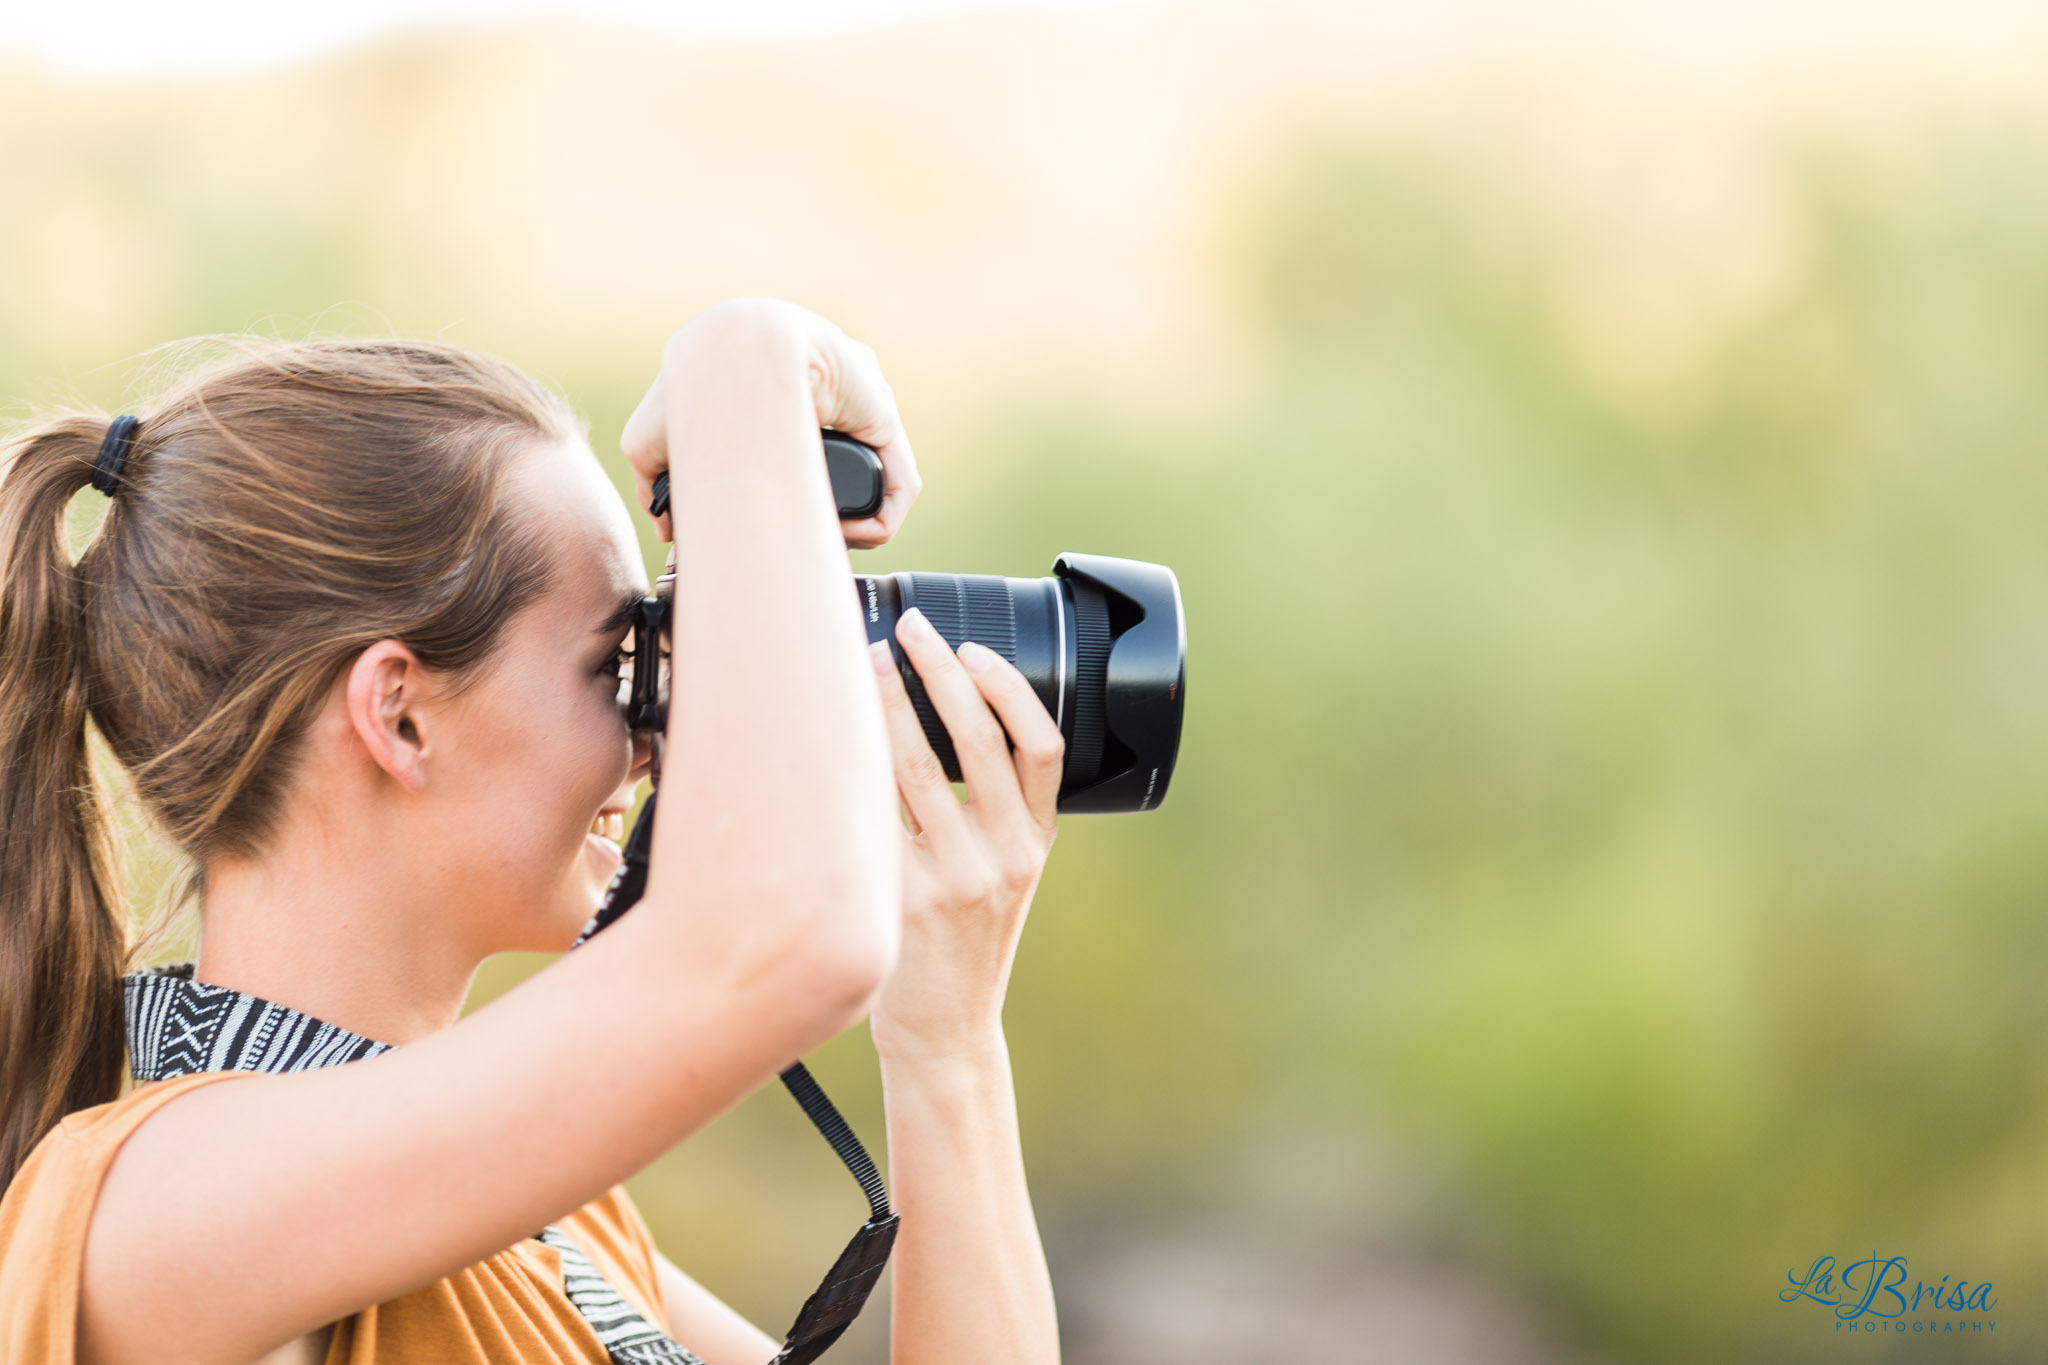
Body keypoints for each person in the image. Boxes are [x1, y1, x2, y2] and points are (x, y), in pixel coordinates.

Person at [0, 298, 1066, 1365]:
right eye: (613, 665)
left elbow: (787, 938)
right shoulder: (157, 1204)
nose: (657, 735)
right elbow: (786, 940)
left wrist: (946, 1049)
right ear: (399, 716)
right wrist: (741, 358)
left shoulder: (550, 1227)